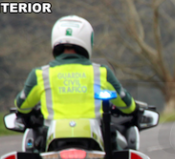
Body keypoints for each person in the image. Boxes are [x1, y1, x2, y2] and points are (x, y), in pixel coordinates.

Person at [15, 15, 136, 144]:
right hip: (94, 143)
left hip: (53, 143)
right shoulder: (102, 73)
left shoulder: (39, 74)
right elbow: (128, 106)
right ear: (89, 41)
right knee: (120, 149)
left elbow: (22, 106)